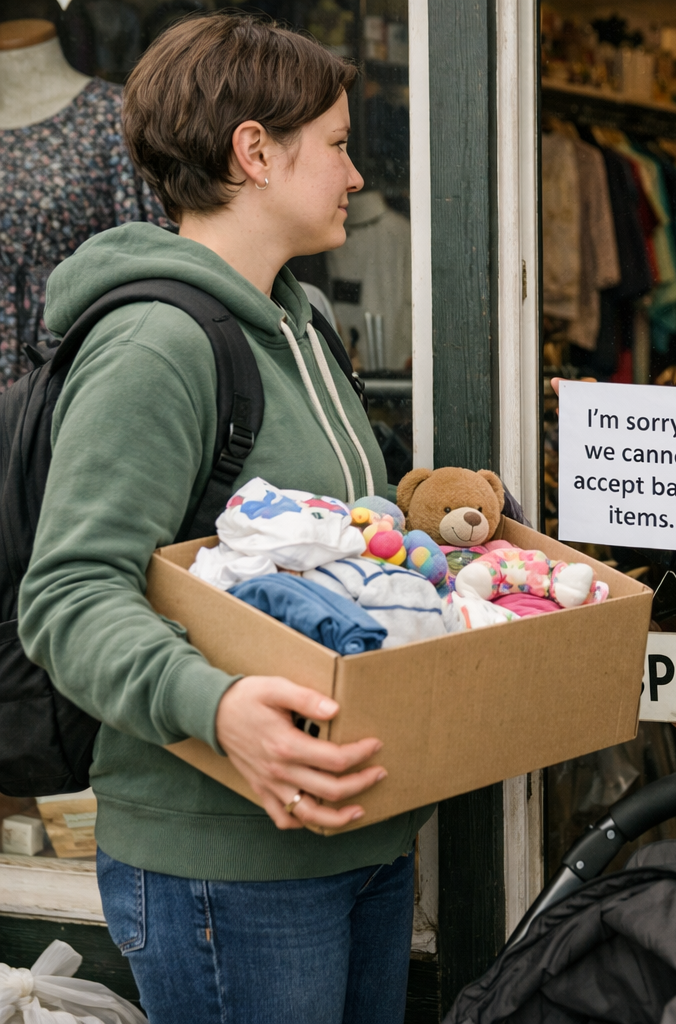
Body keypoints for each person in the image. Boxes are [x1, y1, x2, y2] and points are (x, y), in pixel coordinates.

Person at [18, 14, 426, 1023]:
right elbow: (68, 597)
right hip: (226, 863)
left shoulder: (304, 327)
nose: (355, 176)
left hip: (362, 836)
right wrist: (215, 705)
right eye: (335, 144)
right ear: (254, 150)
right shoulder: (157, 343)